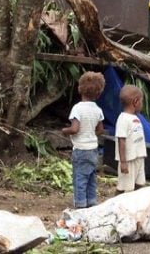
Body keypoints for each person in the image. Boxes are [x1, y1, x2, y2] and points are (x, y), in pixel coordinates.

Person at [62, 71, 106, 208]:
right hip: (93, 149)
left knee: (79, 177)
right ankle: (91, 201)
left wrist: (65, 131)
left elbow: (75, 129)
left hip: (81, 150)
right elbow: (100, 130)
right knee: (91, 177)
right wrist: (90, 133)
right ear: (99, 93)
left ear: (79, 88)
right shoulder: (98, 110)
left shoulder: (77, 108)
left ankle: (80, 204)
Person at [115, 84, 147, 193]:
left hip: (138, 157)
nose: (142, 104)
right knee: (125, 187)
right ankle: (115, 206)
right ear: (136, 101)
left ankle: (135, 207)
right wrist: (123, 162)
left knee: (139, 184)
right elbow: (121, 141)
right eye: (142, 101)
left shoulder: (135, 117)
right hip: (128, 160)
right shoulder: (123, 119)